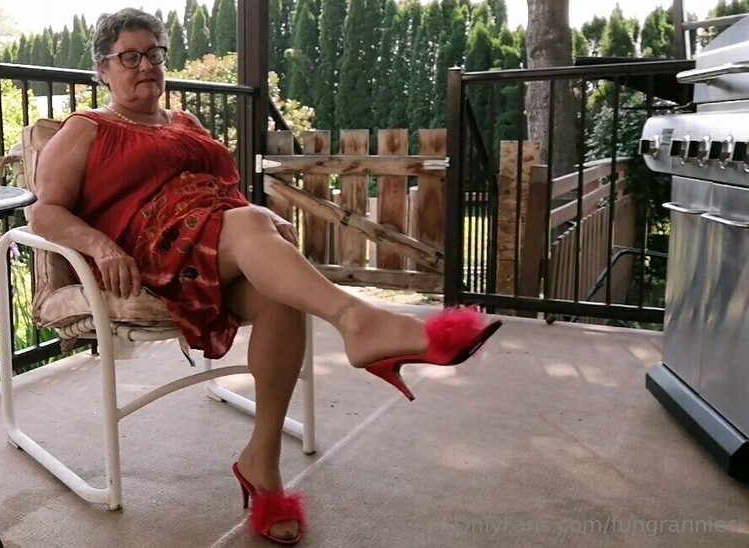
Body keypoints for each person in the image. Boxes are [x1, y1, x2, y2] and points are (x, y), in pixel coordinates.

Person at [31, 8, 501, 544]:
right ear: (102, 70)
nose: (146, 66)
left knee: (280, 292)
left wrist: (255, 217)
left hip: (214, 244)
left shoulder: (186, 123)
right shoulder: (86, 128)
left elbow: (224, 193)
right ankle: (361, 322)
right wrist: (101, 245)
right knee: (256, 224)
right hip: (151, 254)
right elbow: (43, 211)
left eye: (155, 54)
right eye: (130, 57)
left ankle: (263, 460)